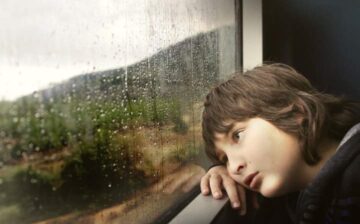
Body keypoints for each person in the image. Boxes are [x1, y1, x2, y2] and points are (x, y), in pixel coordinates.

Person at [199, 63, 360, 223]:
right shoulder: (290, 192)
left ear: (296, 111)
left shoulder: (354, 181)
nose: (234, 168)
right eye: (225, 159)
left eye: (238, 136)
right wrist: (218, 170)